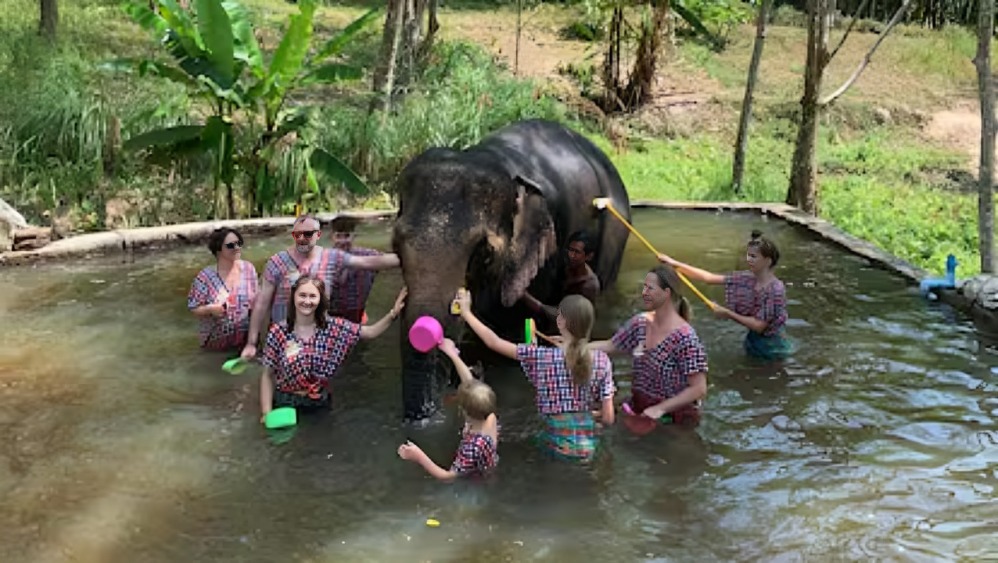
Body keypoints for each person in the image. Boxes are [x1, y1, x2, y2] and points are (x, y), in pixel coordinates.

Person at [458, 289, 615, 462]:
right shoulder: (603, 361)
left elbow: (493, 342)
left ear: (561, 322)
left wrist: (466, 312)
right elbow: (608, 418)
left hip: (556, 448)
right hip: (589, 449)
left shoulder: (542, 357)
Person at [241, 214, 400, 361]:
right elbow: (262, 304)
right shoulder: (277, 262)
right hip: (284, 336)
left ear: (318, 235)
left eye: (309, 234)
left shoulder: (332, 257)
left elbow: (369, 262)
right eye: (299, 234)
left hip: (318, 337)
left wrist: (410, 256)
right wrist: (252, 343)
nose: (303, 238)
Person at [258, 275, 407, 419]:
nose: (307, 301)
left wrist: (393, 313)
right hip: (286, 402)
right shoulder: (278, 332)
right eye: (302, 295)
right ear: (293, 297)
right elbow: (267, 374)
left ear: (320, 300)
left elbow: (370, 332)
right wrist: (266, 413)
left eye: (312, 296)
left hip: (319, 402)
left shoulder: (334, 328)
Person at [589, 265, 708, 426]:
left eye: (650, 288)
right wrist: (574, 346)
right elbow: (611, 345)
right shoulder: (641, 323)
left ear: (666, 294)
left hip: (674, 417)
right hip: (640, 405)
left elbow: (699, 388)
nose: (644, 293)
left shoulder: (685, 338)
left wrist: (660, 409)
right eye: (644, 287)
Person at [657, 229, 792, 360]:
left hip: (773, 347)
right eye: (748, 255)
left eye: (753, 256)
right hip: (753, 340)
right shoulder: (747, 278)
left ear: (767, 261)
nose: (748, 259)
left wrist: (727, 313)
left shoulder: (775, 290)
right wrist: (674, 263)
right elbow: (709, 278)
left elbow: (759, 326)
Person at [397, 338, 499, 480]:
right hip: (488, 469)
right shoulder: (490, 418)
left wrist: (419, 456)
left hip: (474, 481)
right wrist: (452, 354)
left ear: (463, 411)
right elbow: (470, 382)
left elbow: (448, 477)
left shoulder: (471, 448)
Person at [187, 227, 259, 351]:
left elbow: (258, 300)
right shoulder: (205, 277)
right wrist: (209, 309)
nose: (237, 248)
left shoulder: (248, 269)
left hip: (246, 340)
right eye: (231, 245)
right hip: (216, 341)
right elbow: (194, 307)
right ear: (218, 250)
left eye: (239, 243)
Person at [522, 230, 601, 323]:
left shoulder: (589, 286)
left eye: (577, 252)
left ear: (589, 256)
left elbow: (565, 317)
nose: (571, 255)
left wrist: (527, 298)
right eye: (570, 250)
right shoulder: (565, 265)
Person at [326, 216, 382, 323]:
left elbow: (387, 260)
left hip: (355, 311)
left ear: (354, 236)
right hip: (331, 312)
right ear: (331, 237)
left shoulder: (367, 255)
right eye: (338, 236)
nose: (342, 241)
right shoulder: (323, 258)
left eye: (347, 236)